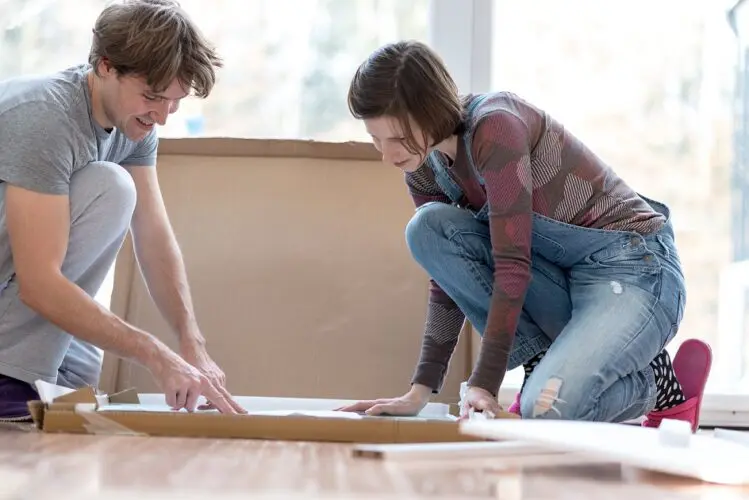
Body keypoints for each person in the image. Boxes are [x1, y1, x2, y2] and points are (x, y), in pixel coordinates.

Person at [338, 39, 712, 431]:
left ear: (429, 111)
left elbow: (512, 266)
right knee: (428, 228)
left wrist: (484, 383)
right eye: (376, 140)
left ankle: (664, 388)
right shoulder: (422, 163)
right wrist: (420, 391)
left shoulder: (495, 126)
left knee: (544, 412)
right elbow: (448, 279)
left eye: (396, 139)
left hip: (634, 270)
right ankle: (552, 371)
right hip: (563, 274)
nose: (387, 155)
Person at [0, 0, 246, 420]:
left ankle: (21, 372)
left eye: (176, 101)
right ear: (106, 66)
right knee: (111, 186)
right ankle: (9, 381)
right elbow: (39, 284)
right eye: (152, 96)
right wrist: (154, 353)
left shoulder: (136, 123)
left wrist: (191, 343)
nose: (164, 116)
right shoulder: (45, 117)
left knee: (86, 378)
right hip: (20, 280)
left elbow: (153, 236)